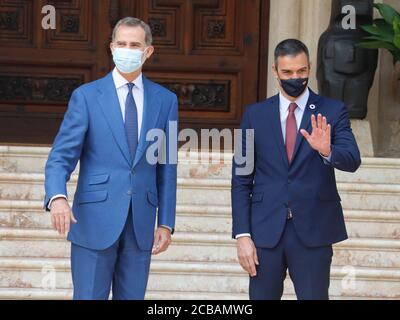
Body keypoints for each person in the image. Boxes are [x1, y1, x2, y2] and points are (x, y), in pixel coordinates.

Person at [44, 17, 178, 300]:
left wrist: (166, 221)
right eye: (121, 44)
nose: (127, 50)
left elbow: (167, 166)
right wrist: (57, 196)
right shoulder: (86, 97)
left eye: (134, 45)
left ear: (148, 51)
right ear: (111, 47)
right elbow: (61, 156)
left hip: (140, 224)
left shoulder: (166, 101)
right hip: (93, 221)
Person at [231, 39, 361, 300]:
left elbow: (352, 159)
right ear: (275, 71)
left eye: (301, 71)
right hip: (265, 231)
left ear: (309, 68)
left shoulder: (332, 111)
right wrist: (242, 234)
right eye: (288, 72)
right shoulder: (254, 114)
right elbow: (241, 179)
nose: (295, 78)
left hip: (314, 229)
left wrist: (327, 150)